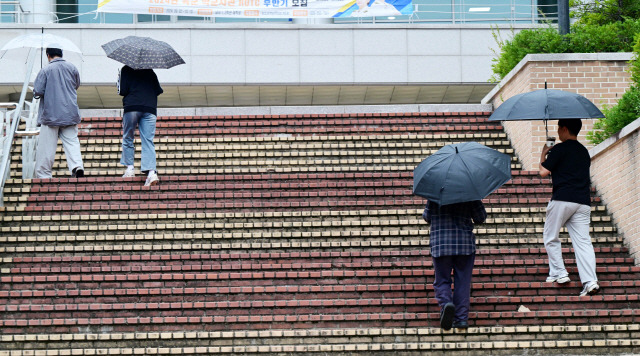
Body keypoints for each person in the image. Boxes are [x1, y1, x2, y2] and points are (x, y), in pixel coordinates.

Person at [539, 119, 600, 297]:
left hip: (562, 199)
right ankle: (590, 282)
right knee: (583, 242)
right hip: (582, 202)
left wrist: (544, 153)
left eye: (559, 129)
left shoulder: (559, 149)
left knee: (550, 237)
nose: (558, 132)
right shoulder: (583, 151)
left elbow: (543, 172)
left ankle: (560, 273)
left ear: (564, 129)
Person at [423, 200, 486, 330]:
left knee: (442, 280)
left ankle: (446, 304)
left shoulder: (435, 193)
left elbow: (427, 217)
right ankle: (461, 319)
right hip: (464, 244)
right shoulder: (470, 192)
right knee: (462, 282)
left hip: (441, 243)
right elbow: (481, 218)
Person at [33, 47, 84, 179]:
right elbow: (76, 84)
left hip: (51, 114)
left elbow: (38, 91)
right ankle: (77, 166)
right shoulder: (72, 68)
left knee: (47, 147)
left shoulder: (45, 70)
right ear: (61, 54)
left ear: (48, 55)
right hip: (70, 112)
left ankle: (44, 174)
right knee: (72, 142)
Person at [117, 65, 163, 186]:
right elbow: (158, 90)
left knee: (128, 138)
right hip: (150, 108)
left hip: (132, 107)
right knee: (148, 141)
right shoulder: (150, 70)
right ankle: (151, 173)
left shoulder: (125, 69)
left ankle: (130, 169)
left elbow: (122, 91)